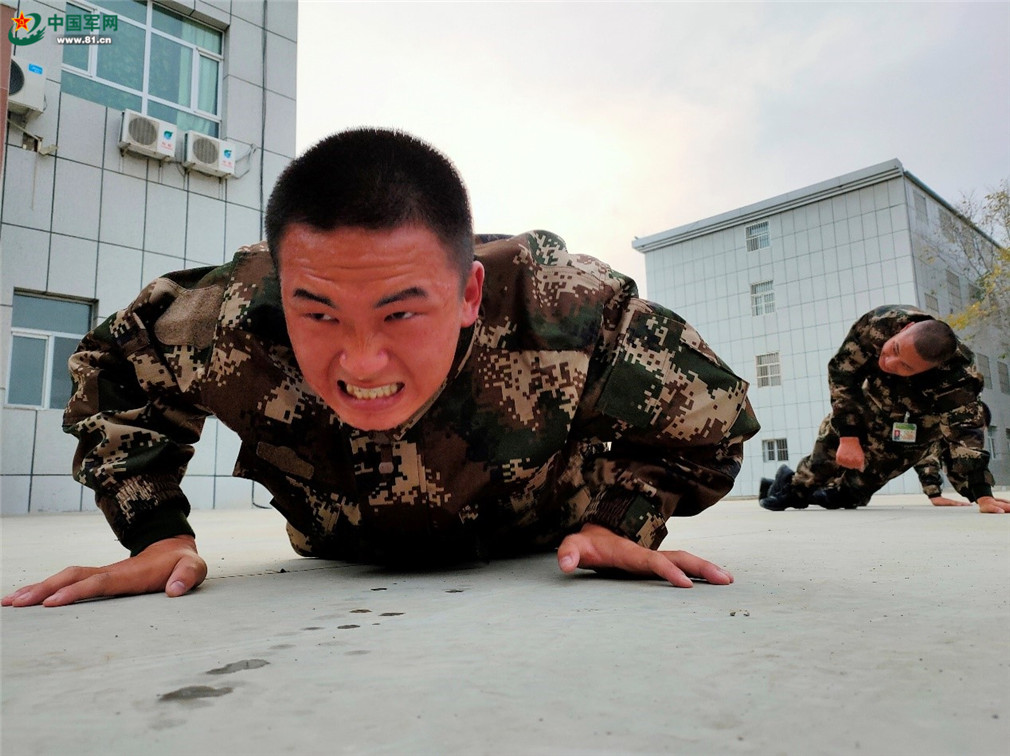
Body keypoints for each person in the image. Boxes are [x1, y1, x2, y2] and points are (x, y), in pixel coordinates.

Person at [3, 127, 759, 608]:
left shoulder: (567, 310)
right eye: (320, 314)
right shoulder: (228, 316)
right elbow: (117, 365)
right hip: (342, 548)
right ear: (281, 288)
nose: (362, 361)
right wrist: (157, 533)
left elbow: (716, 416)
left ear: (469, 294)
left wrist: (619, 521)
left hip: (536, 544)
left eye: (401, 313)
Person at [758, 305, 1008, 514]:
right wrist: (848, 436)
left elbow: (965, 434)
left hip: (914, 429)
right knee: (817, 471)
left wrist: (981, 494)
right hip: (866, 406)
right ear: (905, 329)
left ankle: (832, 492)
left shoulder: (958, 378)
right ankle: (792, 486)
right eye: (894, 349)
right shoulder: (879, 324)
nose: (888, 363)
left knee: (848, 496)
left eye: (906, 367)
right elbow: (842, 375)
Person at [913, 402, 993, 507]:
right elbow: (927, 458)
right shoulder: (937, 424)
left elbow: (955, 464)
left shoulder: (948, 430)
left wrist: (979, 495)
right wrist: (934, 494)